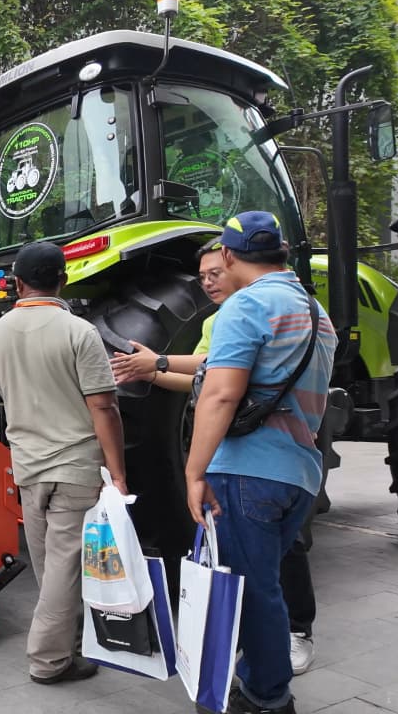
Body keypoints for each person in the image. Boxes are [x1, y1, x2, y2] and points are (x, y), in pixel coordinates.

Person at [112, 237, 319, 675]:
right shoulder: (230, 317)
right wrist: (157, 368)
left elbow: (221, 386)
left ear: (235, 263)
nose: (207, 283)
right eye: (202, 276)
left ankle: (286, 651)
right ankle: (259, 666)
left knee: (270, 567)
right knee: (251, 571)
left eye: (215, 273)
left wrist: (195, 471)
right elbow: (206, 378)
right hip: (261, 460)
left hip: (260, 459)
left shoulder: (256, 311)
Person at [0, 241, 129, 686]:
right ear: (63, 281)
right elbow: (104, 407)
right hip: (76, 469)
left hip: (27, 470)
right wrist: (119, 474)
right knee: (61, 569)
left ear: (17, 284)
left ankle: (68, 644)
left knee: (52, 567)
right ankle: (49, 660)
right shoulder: (80, 332)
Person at [185, 212, 336, 714]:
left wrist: (193, 471)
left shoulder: (246, 305)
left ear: (228, 255)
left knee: (251, 592)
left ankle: (266, 697)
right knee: (263, 584)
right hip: (299, 472)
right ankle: (257, 681)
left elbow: (221, 395)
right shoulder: (315, 311)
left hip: (248, 470)